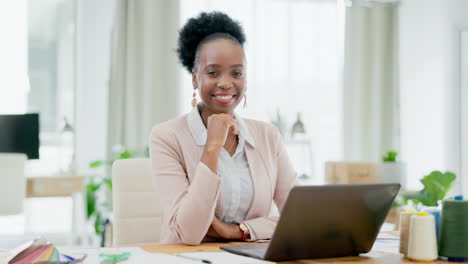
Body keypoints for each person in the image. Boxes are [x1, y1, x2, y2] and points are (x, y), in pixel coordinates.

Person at [149, 11, 296, 246]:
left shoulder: (267, 135)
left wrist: (238, 231)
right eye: (213, 72)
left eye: (236, 73)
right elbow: (189, 232)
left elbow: (297, 217)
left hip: (251, 258)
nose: (226, 83)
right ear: (195, 79)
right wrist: (212, 147)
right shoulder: (166, 137)